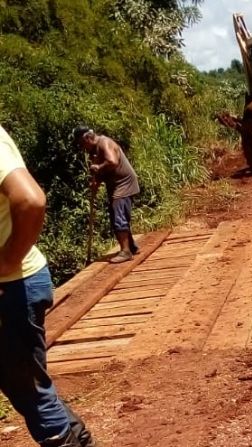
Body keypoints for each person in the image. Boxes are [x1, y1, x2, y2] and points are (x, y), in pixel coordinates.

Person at [0, 124, 97, 446]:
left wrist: (4, 263)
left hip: (12, 287)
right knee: (29, 388)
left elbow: (31, 201)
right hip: (16, 285)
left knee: (31, 393)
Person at [73, 126, 139, 263]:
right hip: (115, 184)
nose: (81, 147)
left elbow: (112, 161)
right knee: (118, 214)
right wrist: (95, 183)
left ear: (87, 138)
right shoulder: (93, 151)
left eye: (81, 143)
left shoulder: (104, 143)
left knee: (118, 215)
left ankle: (126, 251)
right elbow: (100, 172)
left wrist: (98, 167)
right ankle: (131, 246)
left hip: (123, 183)